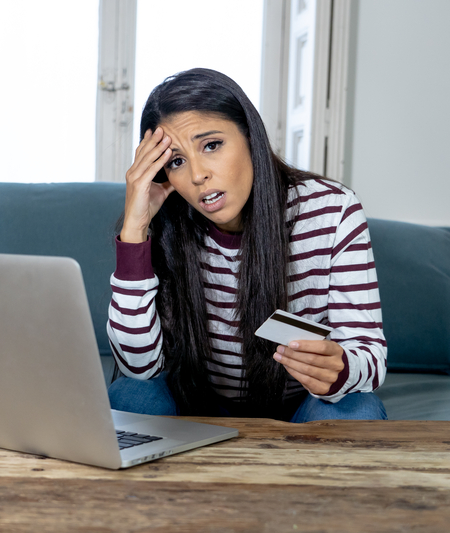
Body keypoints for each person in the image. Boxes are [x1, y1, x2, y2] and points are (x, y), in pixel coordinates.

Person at [106, 68, 386, 422]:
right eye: (177, 161)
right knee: (132, 396)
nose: (197, 175)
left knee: (357, 409)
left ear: (251, 138)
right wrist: (135, 229)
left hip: (302, 405)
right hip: (199, 401)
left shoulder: (331, 211)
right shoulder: (167, 220)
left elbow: (370, 356)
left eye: (211, 145)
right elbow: (138, 365)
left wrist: (340, 370)